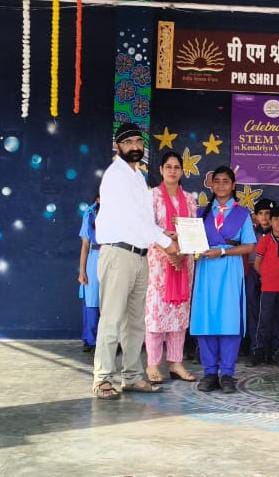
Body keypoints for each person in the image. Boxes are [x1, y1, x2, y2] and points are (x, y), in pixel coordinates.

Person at [92, 122, 178, 400]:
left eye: (138, 142)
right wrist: (167, 243)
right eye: (128, 142)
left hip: (140, 256)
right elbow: (131, 219)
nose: (134, 147)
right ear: (118, 146)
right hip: (118, 255)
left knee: (135, 322)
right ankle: (103, 378)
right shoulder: (115, 175)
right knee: (112, 320)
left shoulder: (138, 176)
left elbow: (143, 220)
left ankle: (131, 376)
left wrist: (162, 233)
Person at [190, 166, 256, 394]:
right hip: (206, 270)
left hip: (230, 270)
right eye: (216, 181)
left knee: (229, 320)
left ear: (233, 185)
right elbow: (192, 242)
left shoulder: (242, 214)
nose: (220, 185)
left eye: (225, 181)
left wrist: (222, 252)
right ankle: (209, 373)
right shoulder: (201, 213)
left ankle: (227, 373)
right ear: (211, 185)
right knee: (206, 319)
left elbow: (249, 246)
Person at [144, 151, 197, 384]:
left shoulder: (190, 199)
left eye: (177, 167)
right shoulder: (151, 196)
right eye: (169, 167)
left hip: (183, 261)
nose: (173, 171)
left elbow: (193, 231)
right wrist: (169, 251)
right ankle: (153, 365)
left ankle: (176, 363)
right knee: (157, 313)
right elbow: (148, 229)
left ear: (182, 171)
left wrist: (180, 252)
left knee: (179, 314)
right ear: (161, 170)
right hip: (159, 263)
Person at [252, 206, 279, 367]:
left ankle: (274, 353)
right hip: (268, 288)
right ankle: (260, 352)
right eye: (276, 219)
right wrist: (267, 276)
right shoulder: (264, 240)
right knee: (264, 320)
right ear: (270, 222)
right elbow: (257, 264)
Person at [246, 198, 276, 366]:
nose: (264, 217)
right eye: (261, 213)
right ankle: (255, 349)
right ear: (255, 216)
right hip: (253, 274)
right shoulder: (249, 233)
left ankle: (270, 351)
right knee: (253, 312)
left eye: (268, 214)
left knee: (271, 312)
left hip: (273, 276)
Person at [78, 194, 100, 353]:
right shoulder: (90, 213)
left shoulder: (119, 210)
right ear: (98, 198)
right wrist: (82, 271)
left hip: (114, 257)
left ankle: (110, 341)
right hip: (94, 259)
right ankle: (90, 340)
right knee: (92, 300)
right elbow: (85, 245)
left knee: (112, 302)